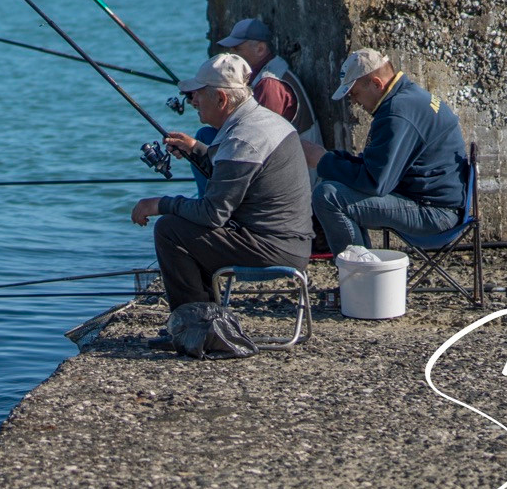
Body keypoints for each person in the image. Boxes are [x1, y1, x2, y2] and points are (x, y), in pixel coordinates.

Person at [129, 54, 316, 308]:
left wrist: (159, 204)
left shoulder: (244, 138)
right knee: (186, 226)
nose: (193, 101)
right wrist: (196, 149)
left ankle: (197, 326)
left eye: (198, 94)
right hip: (289, 241)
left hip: (274, 247)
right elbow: (235, 176)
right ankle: (206, 318)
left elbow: (212, 214)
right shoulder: (261, 121)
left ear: (221, 98)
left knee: (170, 230)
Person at [305, 48, 467, 255]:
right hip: (439, 205)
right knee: (334, 190)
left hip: (436, 214)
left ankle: (359, 278)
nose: (354, 102)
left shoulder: (397, 113)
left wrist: (322, 162)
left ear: (376, 84)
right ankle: (362, 272)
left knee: (327, 196)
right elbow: (373, 167)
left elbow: (375, 183)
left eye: (354, 93)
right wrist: (331, 158)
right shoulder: (411, 97)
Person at [215, 17, 321, 148]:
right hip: (287, 158)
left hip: (302, 165)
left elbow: (259, 136)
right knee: (209, 136)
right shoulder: (267, 72)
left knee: (211, 139)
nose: (231, 55)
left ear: (260, 49)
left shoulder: (270, 84)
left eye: (237, 49)